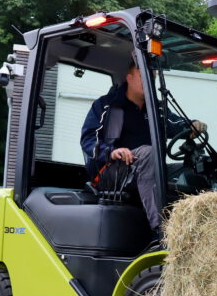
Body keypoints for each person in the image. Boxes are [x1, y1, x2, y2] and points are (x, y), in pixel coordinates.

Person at [80, 63, 205, 233]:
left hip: (146, 167)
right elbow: (88, 139)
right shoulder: (107, 106)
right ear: (129, 78)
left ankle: (199, 229)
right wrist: (111, 152)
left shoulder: (155, 109)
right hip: (111, 171)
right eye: (142, 77)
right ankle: (162, 231)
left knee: (192, 169)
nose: (148, 82)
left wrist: (191, 126)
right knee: (149, 152)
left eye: (151, 79)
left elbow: (174, 124)